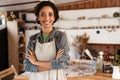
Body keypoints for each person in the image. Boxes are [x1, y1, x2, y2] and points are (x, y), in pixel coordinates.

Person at [23, 1, 70, 80]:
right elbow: (27, 66)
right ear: (38, 17)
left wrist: (35, 62)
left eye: (50, 14)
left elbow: (63, 64)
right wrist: (55, 61)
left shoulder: (61, 37)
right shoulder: (33, 39)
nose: (47, 18)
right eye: (42, 14)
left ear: (54, 17)